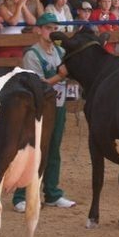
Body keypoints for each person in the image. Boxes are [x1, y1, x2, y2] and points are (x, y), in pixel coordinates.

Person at [13, 12, 76, 213]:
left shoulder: (58, 50)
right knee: (33, 150)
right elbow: (37, 85)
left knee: (53, 148)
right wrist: (60, 76)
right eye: (48, 28)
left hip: (57, 106)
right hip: (38, 109)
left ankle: (52, 193)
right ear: (38, 30)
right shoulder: (32, 54)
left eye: (54, 28)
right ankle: (20, 196)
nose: (52, 32)